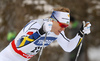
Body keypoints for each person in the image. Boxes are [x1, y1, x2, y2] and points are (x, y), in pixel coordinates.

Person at [0, 7, 91, 61]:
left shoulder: (57, 31)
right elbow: (19, 45)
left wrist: (80, 34)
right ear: (53, 20)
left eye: (66, 26)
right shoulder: (37, 25)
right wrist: (40, 32)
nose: (63, 28)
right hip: (7, 57)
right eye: (62, 25)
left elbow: (68, 47)